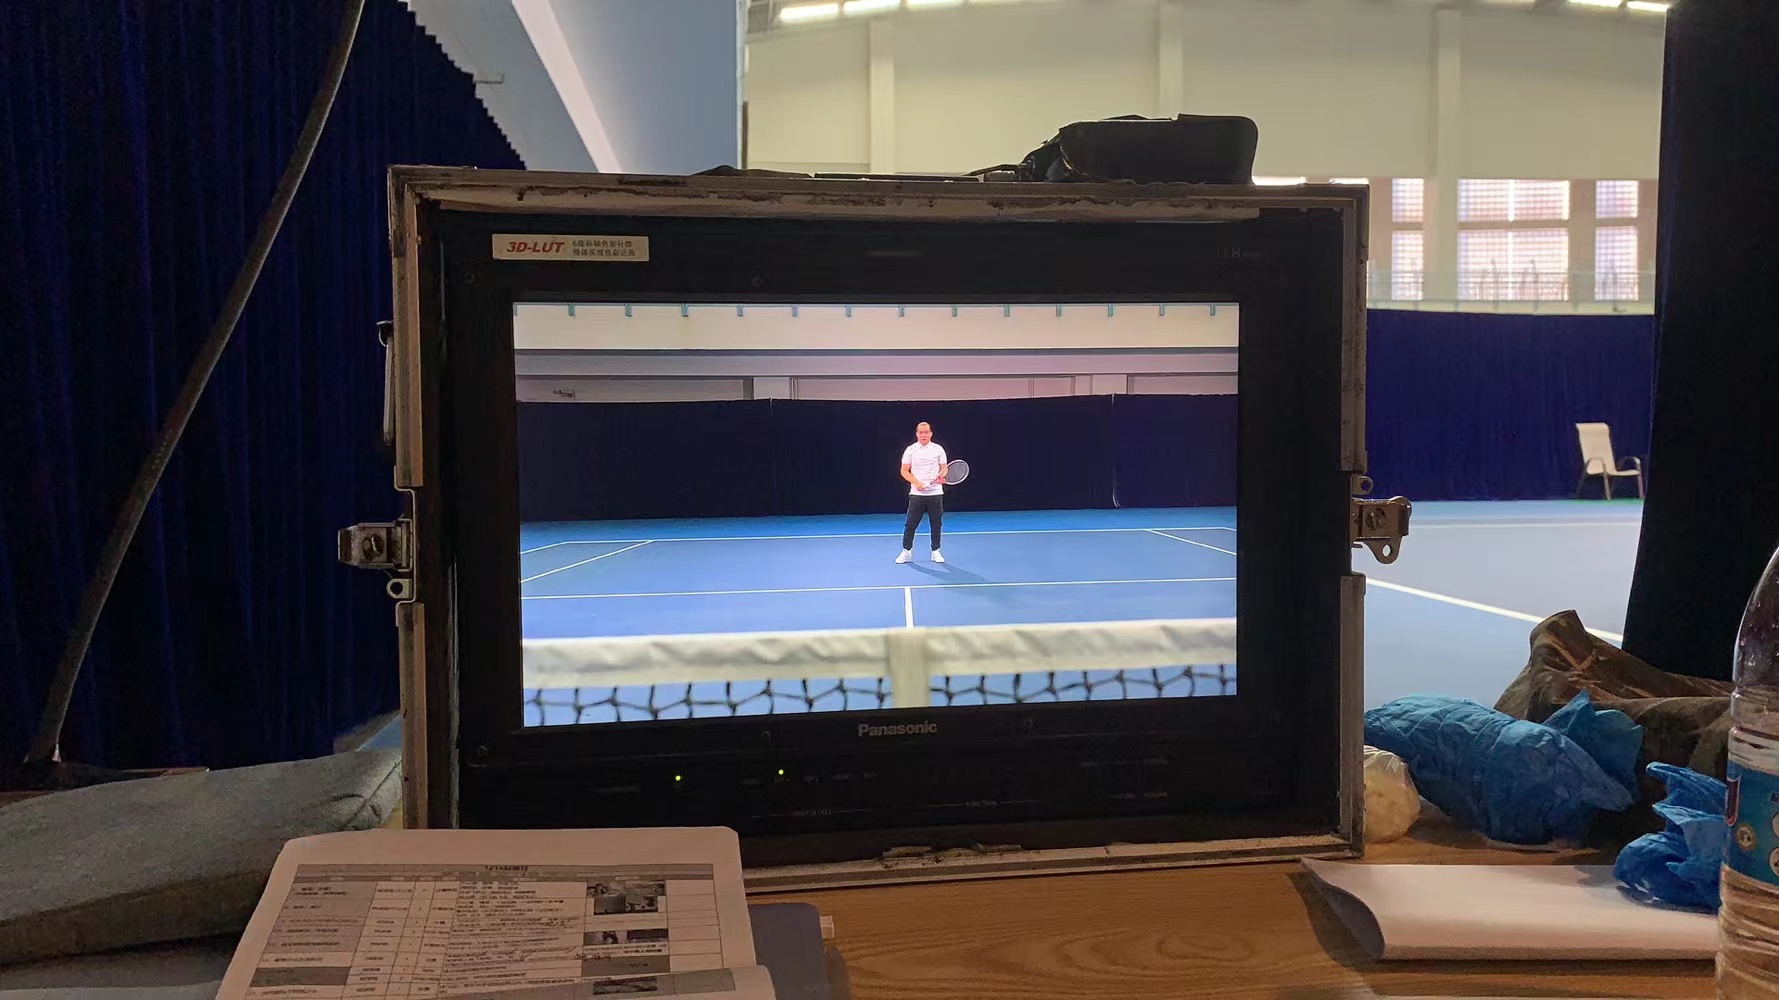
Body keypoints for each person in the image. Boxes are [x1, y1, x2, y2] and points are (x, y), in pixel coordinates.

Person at [897, 421, 947, 564]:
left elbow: (944, 468)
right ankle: (906, 551)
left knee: (936, 524)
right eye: (921, 432)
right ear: (917, 434)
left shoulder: (938, 449)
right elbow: (904, 470)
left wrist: (942, 476)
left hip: (935, 493)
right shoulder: (910, 450)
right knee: (910, 524)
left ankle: (936, 551)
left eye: (926, 432)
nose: (923, 435)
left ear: (931, 434)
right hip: (916, 494)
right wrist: (917, 483)